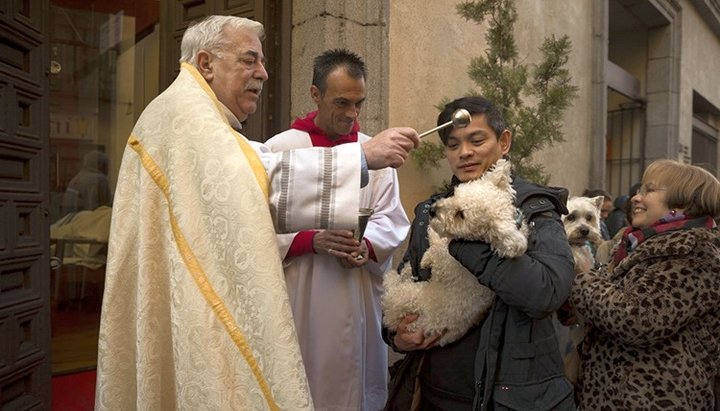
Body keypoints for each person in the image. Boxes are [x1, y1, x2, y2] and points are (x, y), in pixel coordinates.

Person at [95, 16, 419, 411]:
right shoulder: (186, 118)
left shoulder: (191, 117)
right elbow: (251, 181)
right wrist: (360, 160)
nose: (263, 73)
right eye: (249, 60)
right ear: (206, 63)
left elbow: (241, 182)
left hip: (352, 294)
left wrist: (366, 243)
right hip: (294, 294)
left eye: (262, 62)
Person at [384, 96, 576, 410]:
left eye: (477, 140)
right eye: (453, 144)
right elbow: (407, 280)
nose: (465, 153)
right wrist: (395, 336)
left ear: (504, 142)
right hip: (431, 392)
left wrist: (464, 241)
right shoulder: (433, 213)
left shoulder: (533, 208)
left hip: (508, 398)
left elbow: (547, 293)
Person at [265, 48, 410, 411]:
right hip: (303, 294)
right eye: (342, 102)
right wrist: (309, 240)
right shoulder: (280, 149)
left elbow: (390, 217)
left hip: (356, 293)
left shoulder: (372, 151)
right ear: (315, 94)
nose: (352, 114)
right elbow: (256, 221)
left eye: (359, 103)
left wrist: (369, 248)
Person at [569, 159, 720, 410]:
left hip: (653, 399)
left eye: (648, 190)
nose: (636, 198)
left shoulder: (693, 253)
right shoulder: (638, 244)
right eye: (639, 191)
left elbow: (637, 319)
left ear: (681, 203)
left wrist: (584, 278)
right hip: (615, 395)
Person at [61, 150, 113, 215]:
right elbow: (102, 210)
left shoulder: (77, 178)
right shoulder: (99, 180)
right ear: (102, 164)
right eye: (106, 165)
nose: (108, 169)